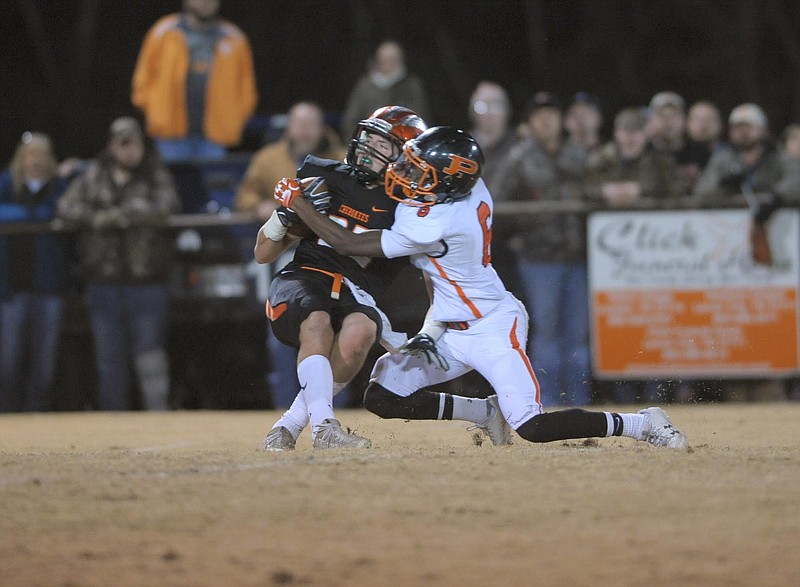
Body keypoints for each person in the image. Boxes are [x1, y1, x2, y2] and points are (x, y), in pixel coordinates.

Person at [281, 125, 688, 450]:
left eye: (419, 173)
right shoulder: (467, 189)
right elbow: (430, 269)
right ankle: (483, 413)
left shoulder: (439, 222)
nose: (406, 176)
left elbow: (347, 243)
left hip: (491, 324)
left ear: (447, 185)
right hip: (448, 327)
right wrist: (432, 326)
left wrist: (297, 203)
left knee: (532, 425)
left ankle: (640, 422)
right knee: (383, 396)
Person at [254, 106, 428, 450]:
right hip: (305, 277)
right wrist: (283, 217)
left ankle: (287, 426)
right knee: (317, 321)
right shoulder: (325, 174)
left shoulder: (409, 210)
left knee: (361, 332)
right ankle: (325, 427)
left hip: (356, 292)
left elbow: (355, 246)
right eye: (370, 138)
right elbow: (262, 253)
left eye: (383, 144)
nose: (369, 148)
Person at [58, 117, 180, 410]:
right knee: (109, 355)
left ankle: (157, 416)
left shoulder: (154, 174)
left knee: (149, 352)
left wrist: (131, 213)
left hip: (147, 280)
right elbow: (66, 207)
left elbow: (169, 205)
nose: (128, 152)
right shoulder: (94, 175)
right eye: (122, 145)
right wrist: (98, 218)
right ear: (112, 146)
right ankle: (114, 421)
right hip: (104, 280)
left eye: (133, 145)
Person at [694, 103, 800, 402]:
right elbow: (702, 193)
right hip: (730, 256)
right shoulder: (724, 159)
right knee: (735, 314)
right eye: (738, 126)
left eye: (749, 126)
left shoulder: (777, 158)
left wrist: (776, 198)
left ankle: (774, 380)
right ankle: (736, 384)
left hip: (774, 252)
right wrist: (723, 185)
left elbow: (796, 180)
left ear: (762, 130)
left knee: (773, 312)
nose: (743, 132)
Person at [492, 91, 592, 407]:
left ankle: (579, 400)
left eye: (551, 113)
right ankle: (546, 400)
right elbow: (496, 202)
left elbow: (595, 193)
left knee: (579, 334)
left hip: (580, 257)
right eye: (539, 115)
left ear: (561, 119)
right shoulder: (519, 157)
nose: (546, 119)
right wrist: (518, 229)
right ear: (530, 122)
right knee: (546, 332)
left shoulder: (580, 154)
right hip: (538, 259)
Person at [0, 133, 78, 412]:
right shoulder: (6, 184)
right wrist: (36, 214)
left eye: (42, 155)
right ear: (21, 158)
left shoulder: (60, 185)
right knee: (8, 360)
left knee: (45, 363)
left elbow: (68, 211)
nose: (36, 160)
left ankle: (37, 416)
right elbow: (42, 213)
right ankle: (7, 414)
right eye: (31, 154)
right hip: (12, 289)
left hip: (50, 288)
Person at [131, 0, 258, 162]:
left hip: (215, 135)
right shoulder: (163, 31)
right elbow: (142, 79)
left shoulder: (234, 38)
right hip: (170, 134)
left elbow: (247, 88)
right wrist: (152, 109)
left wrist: (236, 117)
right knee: (172, 185)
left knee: (212, 184)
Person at [340, 41, 430, 141]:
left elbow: (420, 118)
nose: (390, 62)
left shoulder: (412, 86)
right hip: (369, 143)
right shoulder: (365, 86)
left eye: (394, 59)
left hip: (403, 143)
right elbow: (351, 120)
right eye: (386, 59)